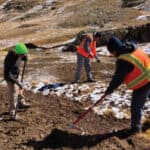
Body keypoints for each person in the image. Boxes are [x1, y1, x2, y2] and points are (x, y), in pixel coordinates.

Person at [105, 36, 150, 133]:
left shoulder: (123, 59)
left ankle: (135, 130)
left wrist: (110, 89)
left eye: (111, 52)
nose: (112, 55)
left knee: (136, 107)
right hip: (148, 76)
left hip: (143, 83)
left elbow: (118, 78)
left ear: (114, 50)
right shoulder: (133, 48)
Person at [4, 43, 30, 120]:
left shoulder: (18, 53)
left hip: (16, 75)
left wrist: (24, 58)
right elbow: (7, 75)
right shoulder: (9, 59)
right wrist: (18, 83)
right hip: (10, 78)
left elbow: (20, 58)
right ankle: (12, 114)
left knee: (20, 89)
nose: (22, 55)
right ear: (17, 52)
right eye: (22, 54)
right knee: (13, 95)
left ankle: (21, 103)